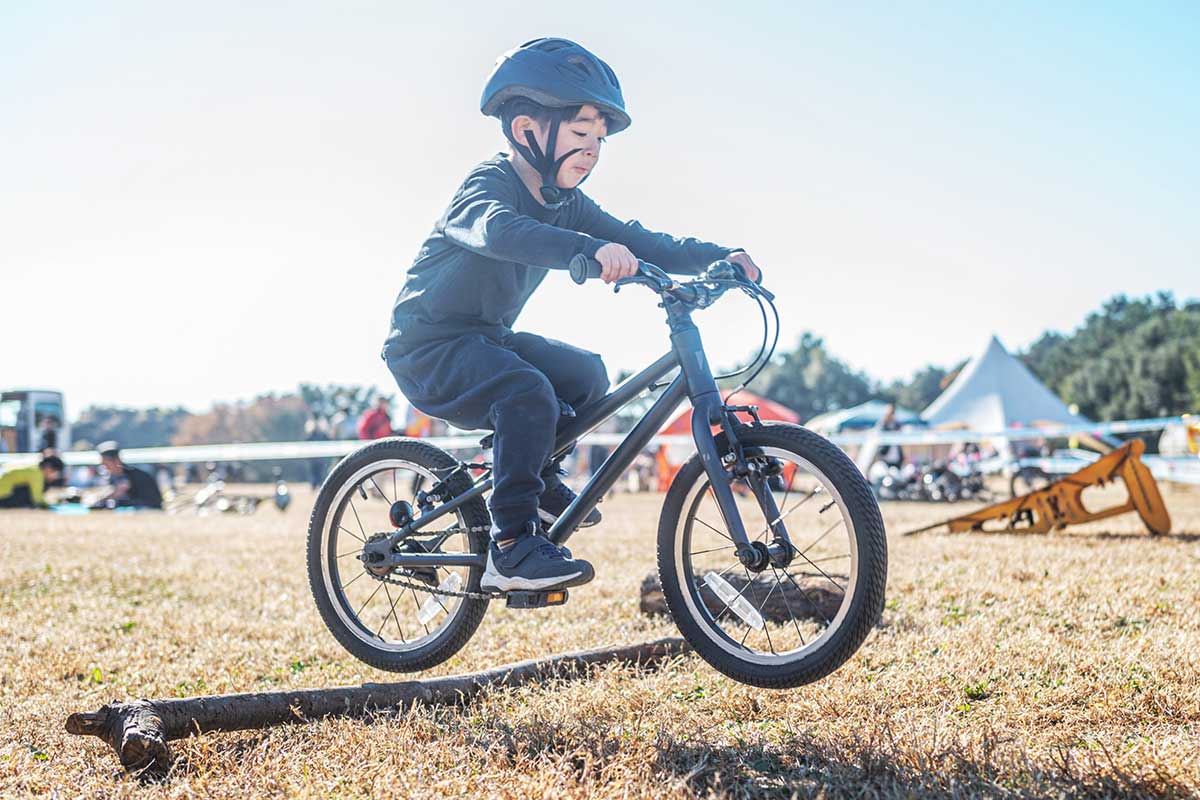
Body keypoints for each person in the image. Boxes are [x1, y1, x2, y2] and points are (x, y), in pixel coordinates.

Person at [380, 38, 761, 593]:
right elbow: (498, 231)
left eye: (600, 141)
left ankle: (534, 478)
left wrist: (718, 257)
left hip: (486, 338)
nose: (592, 151)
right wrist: (583, 250)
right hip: (426, 347)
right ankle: (510, 549)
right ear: (526, 131)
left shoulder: (566, 203)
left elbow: (638, 239)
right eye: (581, 135)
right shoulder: (485, 187)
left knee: (587, 375)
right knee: (526, 392)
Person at [90, 441, 163, 510]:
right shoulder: (114, 476)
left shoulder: (133, 475)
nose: (105, 468)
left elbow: (148, 502)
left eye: (106, 464)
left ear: (116, 461)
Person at [0, 455, 64, 509]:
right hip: (3, 496)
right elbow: (36, 499)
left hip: (4, 493)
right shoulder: (36, 474)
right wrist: (54, 503)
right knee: (30, 498)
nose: (56, 476)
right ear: (48, 468)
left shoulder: (34, 469)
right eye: (55, 473)